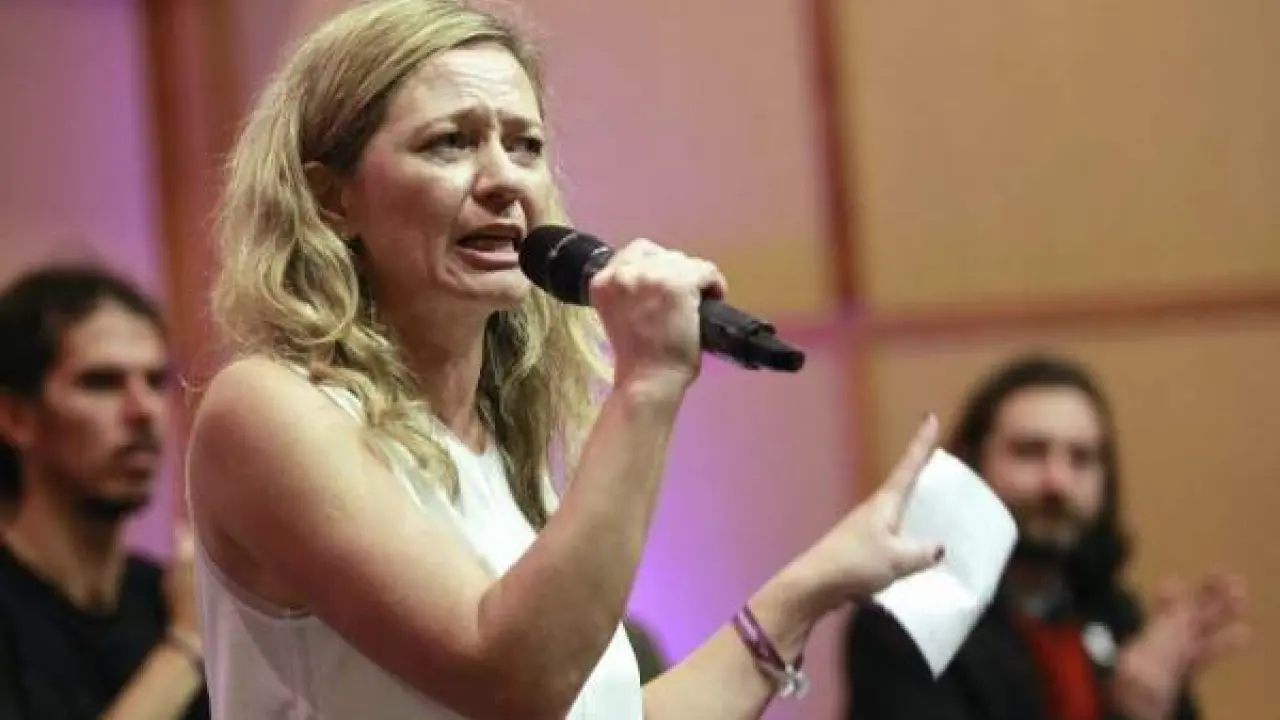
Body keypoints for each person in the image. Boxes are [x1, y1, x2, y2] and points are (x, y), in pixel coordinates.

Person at [183, 1, 952, 718]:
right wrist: (648, 381)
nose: (504, 179)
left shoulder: (500, 451)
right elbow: (514, 682)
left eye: (525, 144)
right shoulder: (268, 411)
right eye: (451, 142)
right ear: (332, 200)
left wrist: (812, 586)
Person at [843, 354, 1249, 720]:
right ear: (972, 463)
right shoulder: (910, 624)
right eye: (1030, 452)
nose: (1058, 482)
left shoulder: (1117, 617)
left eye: (1081, 458)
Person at [0, 264, 209, 719]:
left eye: (155, 381)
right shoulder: (187, 623)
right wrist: (186, 647)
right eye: (101, 382)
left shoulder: (168, 596)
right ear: (15, 416)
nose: (144, 410)